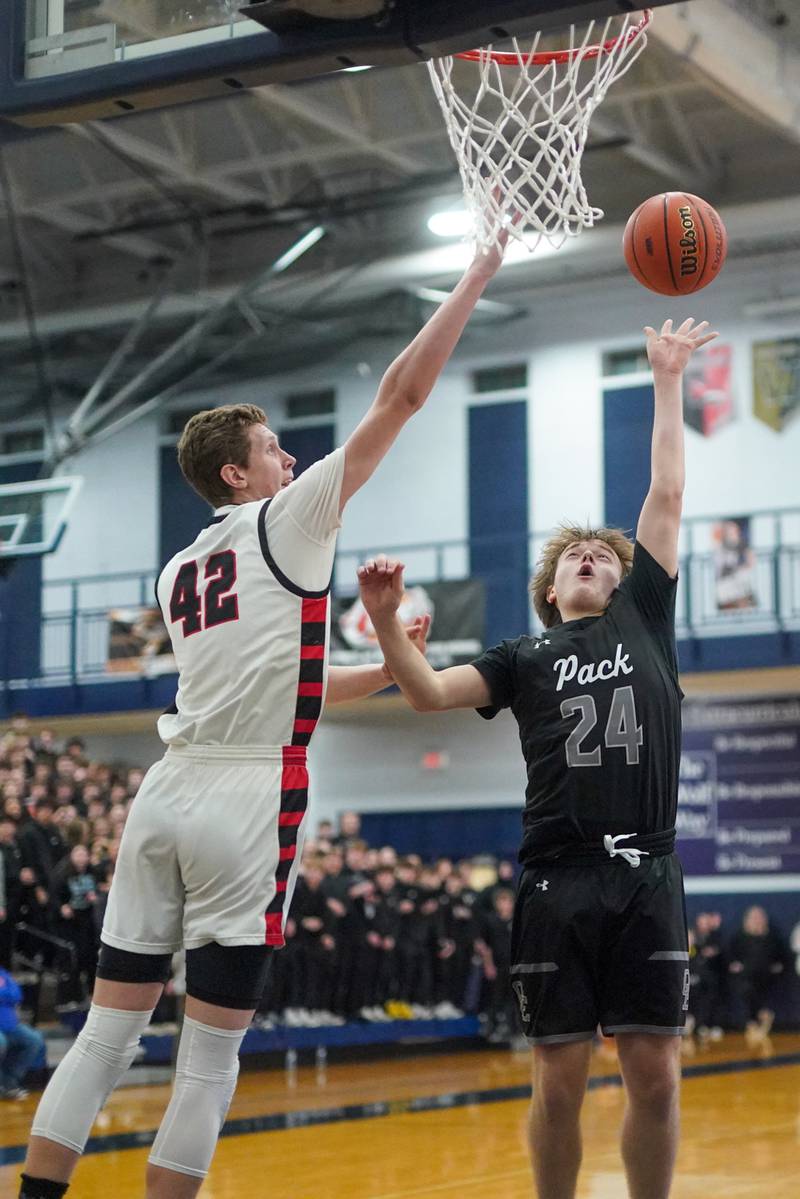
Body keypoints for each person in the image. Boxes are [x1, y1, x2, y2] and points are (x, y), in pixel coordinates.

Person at [18, 234, 508, 1199]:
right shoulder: (287, 519)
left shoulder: (175, 570)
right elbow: (401, 398)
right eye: (274, 449)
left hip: (166, 790)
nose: (291, 458)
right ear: (238, 477)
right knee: (208, 1052)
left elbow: (289, 687)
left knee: (106, 1032)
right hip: (246, 795)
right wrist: (478, 271)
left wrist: (389, 660)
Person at [357, 316, 717, 1199]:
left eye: (603, 554)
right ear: (550, 590)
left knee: (657, 1074)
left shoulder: (644, 620)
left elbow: (665, 495)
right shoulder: (521, 656)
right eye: (574, 558)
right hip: (557, 879)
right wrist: (382, 622)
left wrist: (666, 378)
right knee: (558, 1079)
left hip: (646, 874)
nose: (590, 555)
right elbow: (425, 693)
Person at [0, 965, 46, 1100]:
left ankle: (9, 1083)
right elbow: (10, 995)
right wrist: (5, 994)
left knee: (34, 1039)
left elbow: (17, 994)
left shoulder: (2, 973)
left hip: (11, 1027)